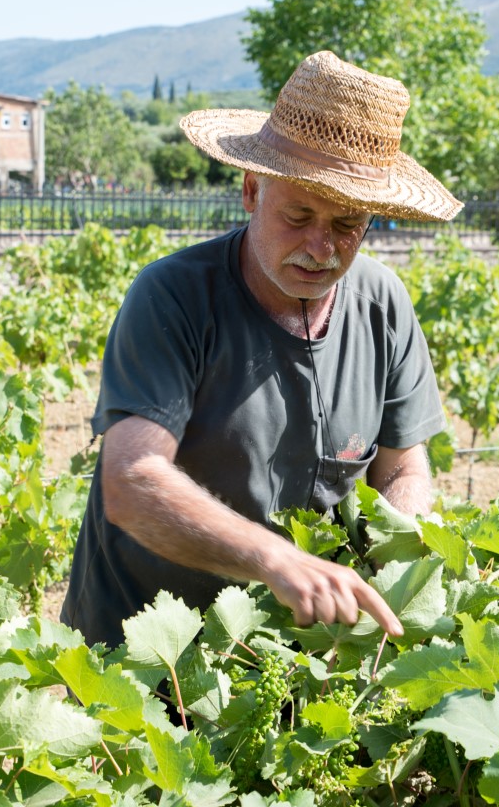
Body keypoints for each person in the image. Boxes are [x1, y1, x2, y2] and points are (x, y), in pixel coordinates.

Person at [61, 50, 462, 650]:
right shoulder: (173, 297)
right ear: (252, 191)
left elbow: (402, 466)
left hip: (296, 655)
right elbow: (132, 481)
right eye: (299, 214)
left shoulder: (382, 303)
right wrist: (273, 559)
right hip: (150, 656)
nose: (320, 246)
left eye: (347, 225)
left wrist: (404, 561)